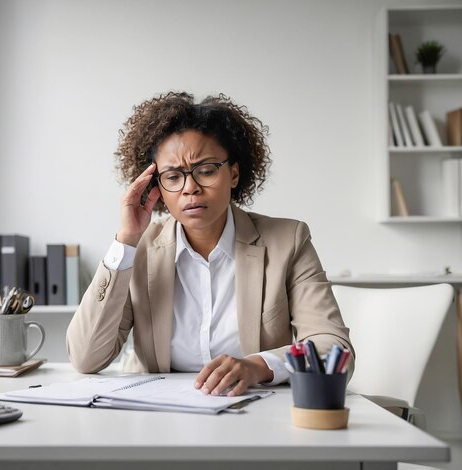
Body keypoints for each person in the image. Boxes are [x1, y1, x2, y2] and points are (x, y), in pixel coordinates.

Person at [67, 91, 354, 397]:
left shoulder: (288, 241)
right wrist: (126, 241)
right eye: (173, 177)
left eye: (205, 171)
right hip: (156, 416)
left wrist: (260, 365)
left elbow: (334, 349)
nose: (190, 188)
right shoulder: (139, 250)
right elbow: (86, 358)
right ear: (157, 187)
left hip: (253, 411)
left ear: (233, 173)